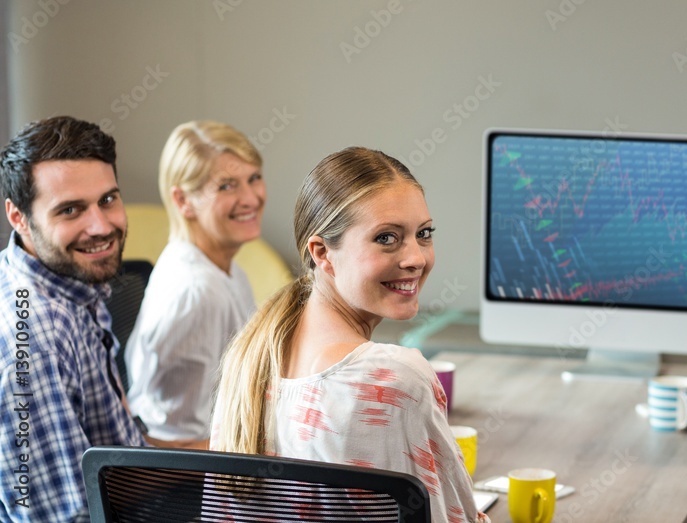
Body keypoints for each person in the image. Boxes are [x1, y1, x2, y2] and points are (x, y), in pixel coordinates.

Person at [210, 147, 488, 523]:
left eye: (423, 234)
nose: (417, 258)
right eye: (387, 238)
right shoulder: (393, 378)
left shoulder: (249, 354)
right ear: (323, 253)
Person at [0, 116, 146, 522]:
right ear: (18, 218)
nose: (101, 227)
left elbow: (120, 452)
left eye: (108, 200)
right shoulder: (33, 341)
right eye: (70, 210)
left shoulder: (69, 280)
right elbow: (66, 517)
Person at [125, 121, 264, 447]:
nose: (251, 198)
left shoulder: (226, 270)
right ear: (184, 200)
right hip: (186, 479)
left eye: (254, 178)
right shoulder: (198, 290)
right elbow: (173, 439)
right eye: (227, 186)